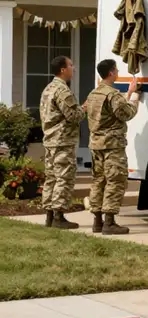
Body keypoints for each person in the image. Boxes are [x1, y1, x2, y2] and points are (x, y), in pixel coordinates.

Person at [84, 59, 141, 235]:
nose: (117, 73)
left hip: (96, 145)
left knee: (98, 181)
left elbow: (111, 112)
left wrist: (127, 93)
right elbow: (126, 113)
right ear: (111, 73)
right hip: (112, 145)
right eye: (116, 70)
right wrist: (134, 97)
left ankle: (97, 221)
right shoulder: (113, 95)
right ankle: (109, 222)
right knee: (115, 181)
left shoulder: (93, 94)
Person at [39, 56, 85, 229]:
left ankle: (49, 216)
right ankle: (59, 216)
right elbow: (74, 115)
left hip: (50, 140)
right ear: (63, 69)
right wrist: (84, 108)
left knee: (51, 177)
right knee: (64, 178)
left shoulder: (48, 88)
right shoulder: (62, 90)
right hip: (62, 141)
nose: (74, 68)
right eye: (71, 65)